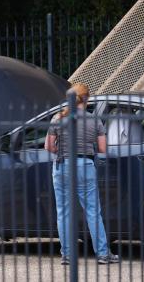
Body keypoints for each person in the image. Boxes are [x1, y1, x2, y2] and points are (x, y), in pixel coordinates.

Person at [45, 83, 119, 265]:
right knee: (93, 211)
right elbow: (102, 148)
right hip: (85, 165)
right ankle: (103, 254)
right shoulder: (94, 120)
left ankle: (67, 255)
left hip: (62, 165)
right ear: (86, 99)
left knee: (63, 212)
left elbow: (48, 146)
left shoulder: (57, 118)